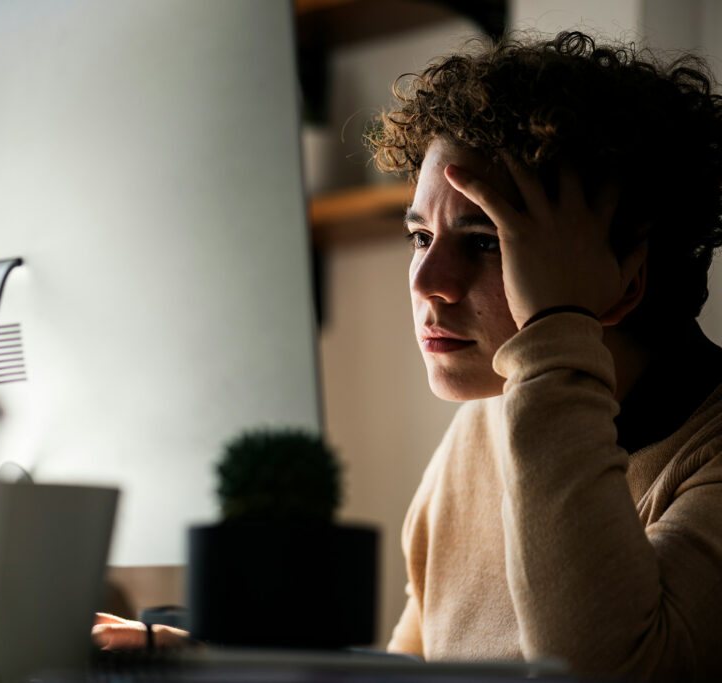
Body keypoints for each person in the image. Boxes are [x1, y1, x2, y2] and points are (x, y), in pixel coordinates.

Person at [93, 30, 722, 680]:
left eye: (484, 241)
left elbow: (605, 671)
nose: (425, 281)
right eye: (420, 235)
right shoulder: (490, 423)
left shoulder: (695, 456)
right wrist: (215, 664)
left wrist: (555, 332)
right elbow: (409, 674)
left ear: (626, 278)